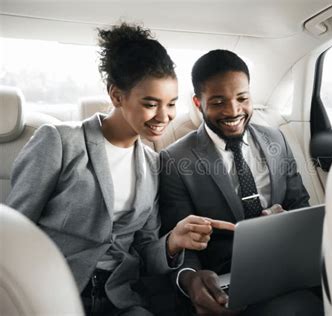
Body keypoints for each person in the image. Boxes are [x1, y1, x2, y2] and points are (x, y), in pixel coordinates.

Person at [6, 24, 234, 316]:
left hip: (120, 299)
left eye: (171, 104)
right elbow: (14, 229)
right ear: (116, 95)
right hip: (51, 291)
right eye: (150, 104)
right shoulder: (60, 142)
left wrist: (174, 240)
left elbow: (145, 249)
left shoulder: (153, 165)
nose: (163, 116)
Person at [159, 50, 322, 315]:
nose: (233, 111)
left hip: (286, 265)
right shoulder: (174, 160)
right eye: (218, 101)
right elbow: (179, 242)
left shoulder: (276, 140)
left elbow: (299, 203)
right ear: (199, 103)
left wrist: (285, 221)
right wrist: (190, 279)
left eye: (242, 98)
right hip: (228, 281)